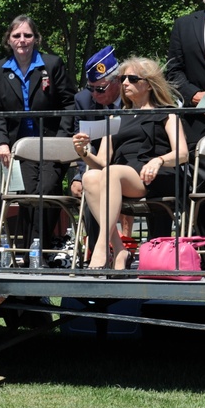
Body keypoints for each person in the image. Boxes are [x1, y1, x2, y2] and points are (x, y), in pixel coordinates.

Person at [74, 57, 187, 273]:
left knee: (111, 172)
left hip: (154, 174)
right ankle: (119, 249)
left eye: (132, 78)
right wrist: (83, 151)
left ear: (149, 84)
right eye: (122, 78)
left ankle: (101, 247)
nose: (125, 83)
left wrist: (159, 160)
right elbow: (101, 162)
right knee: (90, 177)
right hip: (119, 175)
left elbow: (182, 153)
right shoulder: (115, 117)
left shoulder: (167, 113)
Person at [0, 15, 75, 252]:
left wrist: (62, 140)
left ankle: (36, 251)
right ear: (9, 39)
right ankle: (33, 253)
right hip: (21, 148)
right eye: (16, 35)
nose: (22, 40)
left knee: (46, 189)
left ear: (36, 38)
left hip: (52, 143)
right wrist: (1, 142)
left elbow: (69, 104)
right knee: (28, 194)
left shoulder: (52, 64)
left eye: (27, 35)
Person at [69, 46, 133, 255]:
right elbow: (83, 143)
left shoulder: (133, 98)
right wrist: (80, 175)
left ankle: (151, 252)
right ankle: (99, 251)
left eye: (101, 89)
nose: (95, 94)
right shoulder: (83, 101)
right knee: (88, 185)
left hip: (129, 165)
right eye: (91, 88)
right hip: (97, 164)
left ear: (117, 81)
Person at [166, 0, 205, 233]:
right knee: (200, 191)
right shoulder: (184, 25)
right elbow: (174, 73)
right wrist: (198, 98)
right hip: (197, 124)